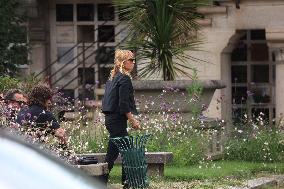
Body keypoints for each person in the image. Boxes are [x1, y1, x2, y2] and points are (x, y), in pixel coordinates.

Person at [102, 49, 140, 188]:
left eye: (134, 60)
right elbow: (123, 105)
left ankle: (119, 182)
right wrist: (133, 121)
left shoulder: (113, 77)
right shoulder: (124, 78)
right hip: (117, 121)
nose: (133, 63)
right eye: (131, 60)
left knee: (115, 153)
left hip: (111, 120)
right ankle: (125, 183)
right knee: (125, 151)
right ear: (123, 63)